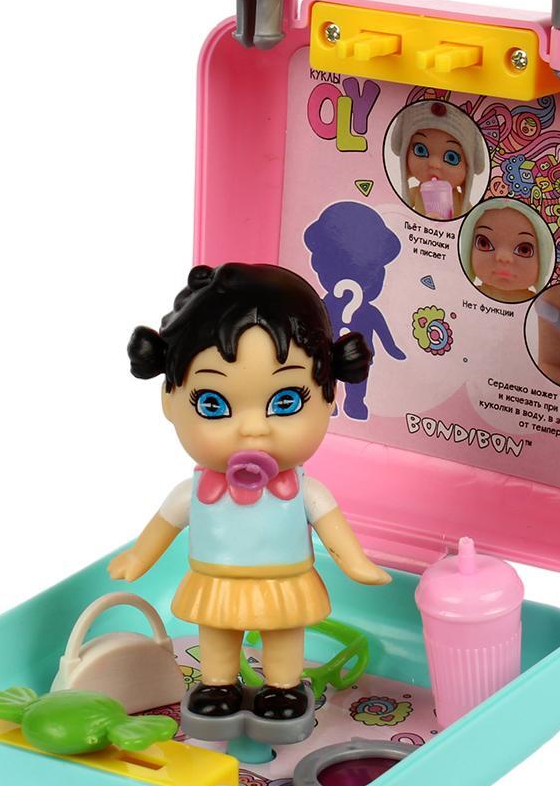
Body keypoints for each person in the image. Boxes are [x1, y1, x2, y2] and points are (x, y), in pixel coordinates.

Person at [110, 263, 390, 722]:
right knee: (217, 631)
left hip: (284, 581)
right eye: (213, 404)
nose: (253, 428)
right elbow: (164, 525)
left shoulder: (304, 492)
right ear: (169, 401)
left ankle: (283, 688)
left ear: (330, 396)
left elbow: (333, 529)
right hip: (216, 579)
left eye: (286, 401)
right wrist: (137, 557)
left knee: (283, 632)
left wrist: (356, 563)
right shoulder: (193, 492)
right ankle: (217, 683)